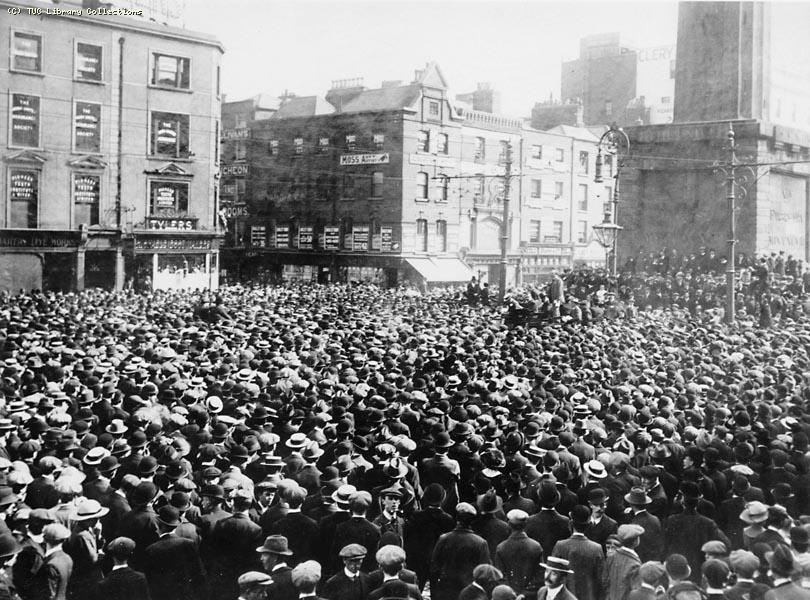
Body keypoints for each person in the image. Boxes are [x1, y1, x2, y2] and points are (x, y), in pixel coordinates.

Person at [142, 506, 207, 600]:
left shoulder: (152, 549)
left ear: (158, 524)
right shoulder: (189, 544)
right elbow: (199, 573)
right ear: (176, 525)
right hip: (186, 595)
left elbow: (151, 581)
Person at [430, 503, 491, 600]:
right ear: (472, 521)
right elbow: (484, 571)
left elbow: (434, 567)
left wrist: (434, 593)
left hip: (445, 590)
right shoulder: (480, 543)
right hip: (468, 592)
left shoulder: (444, 538)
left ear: (457, 519)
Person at [552, 505, 604, 600]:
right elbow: (600, 580)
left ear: (571, 523)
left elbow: (553, 577)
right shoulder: (597, 548)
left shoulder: (560, 545)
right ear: (589, 525)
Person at [493, 509, 543, 596]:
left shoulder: (501, 547)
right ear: (525, 525)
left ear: (509, 524)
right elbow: (540, 575)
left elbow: (499, 576)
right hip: (530, 596)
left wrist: (512, 594)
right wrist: (525, 594)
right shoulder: (536, 546)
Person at [602, 524, 644, 600]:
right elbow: (635, 590)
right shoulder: (635, 564)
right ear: (635, 542)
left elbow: (605, 581)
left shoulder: (612, 557)